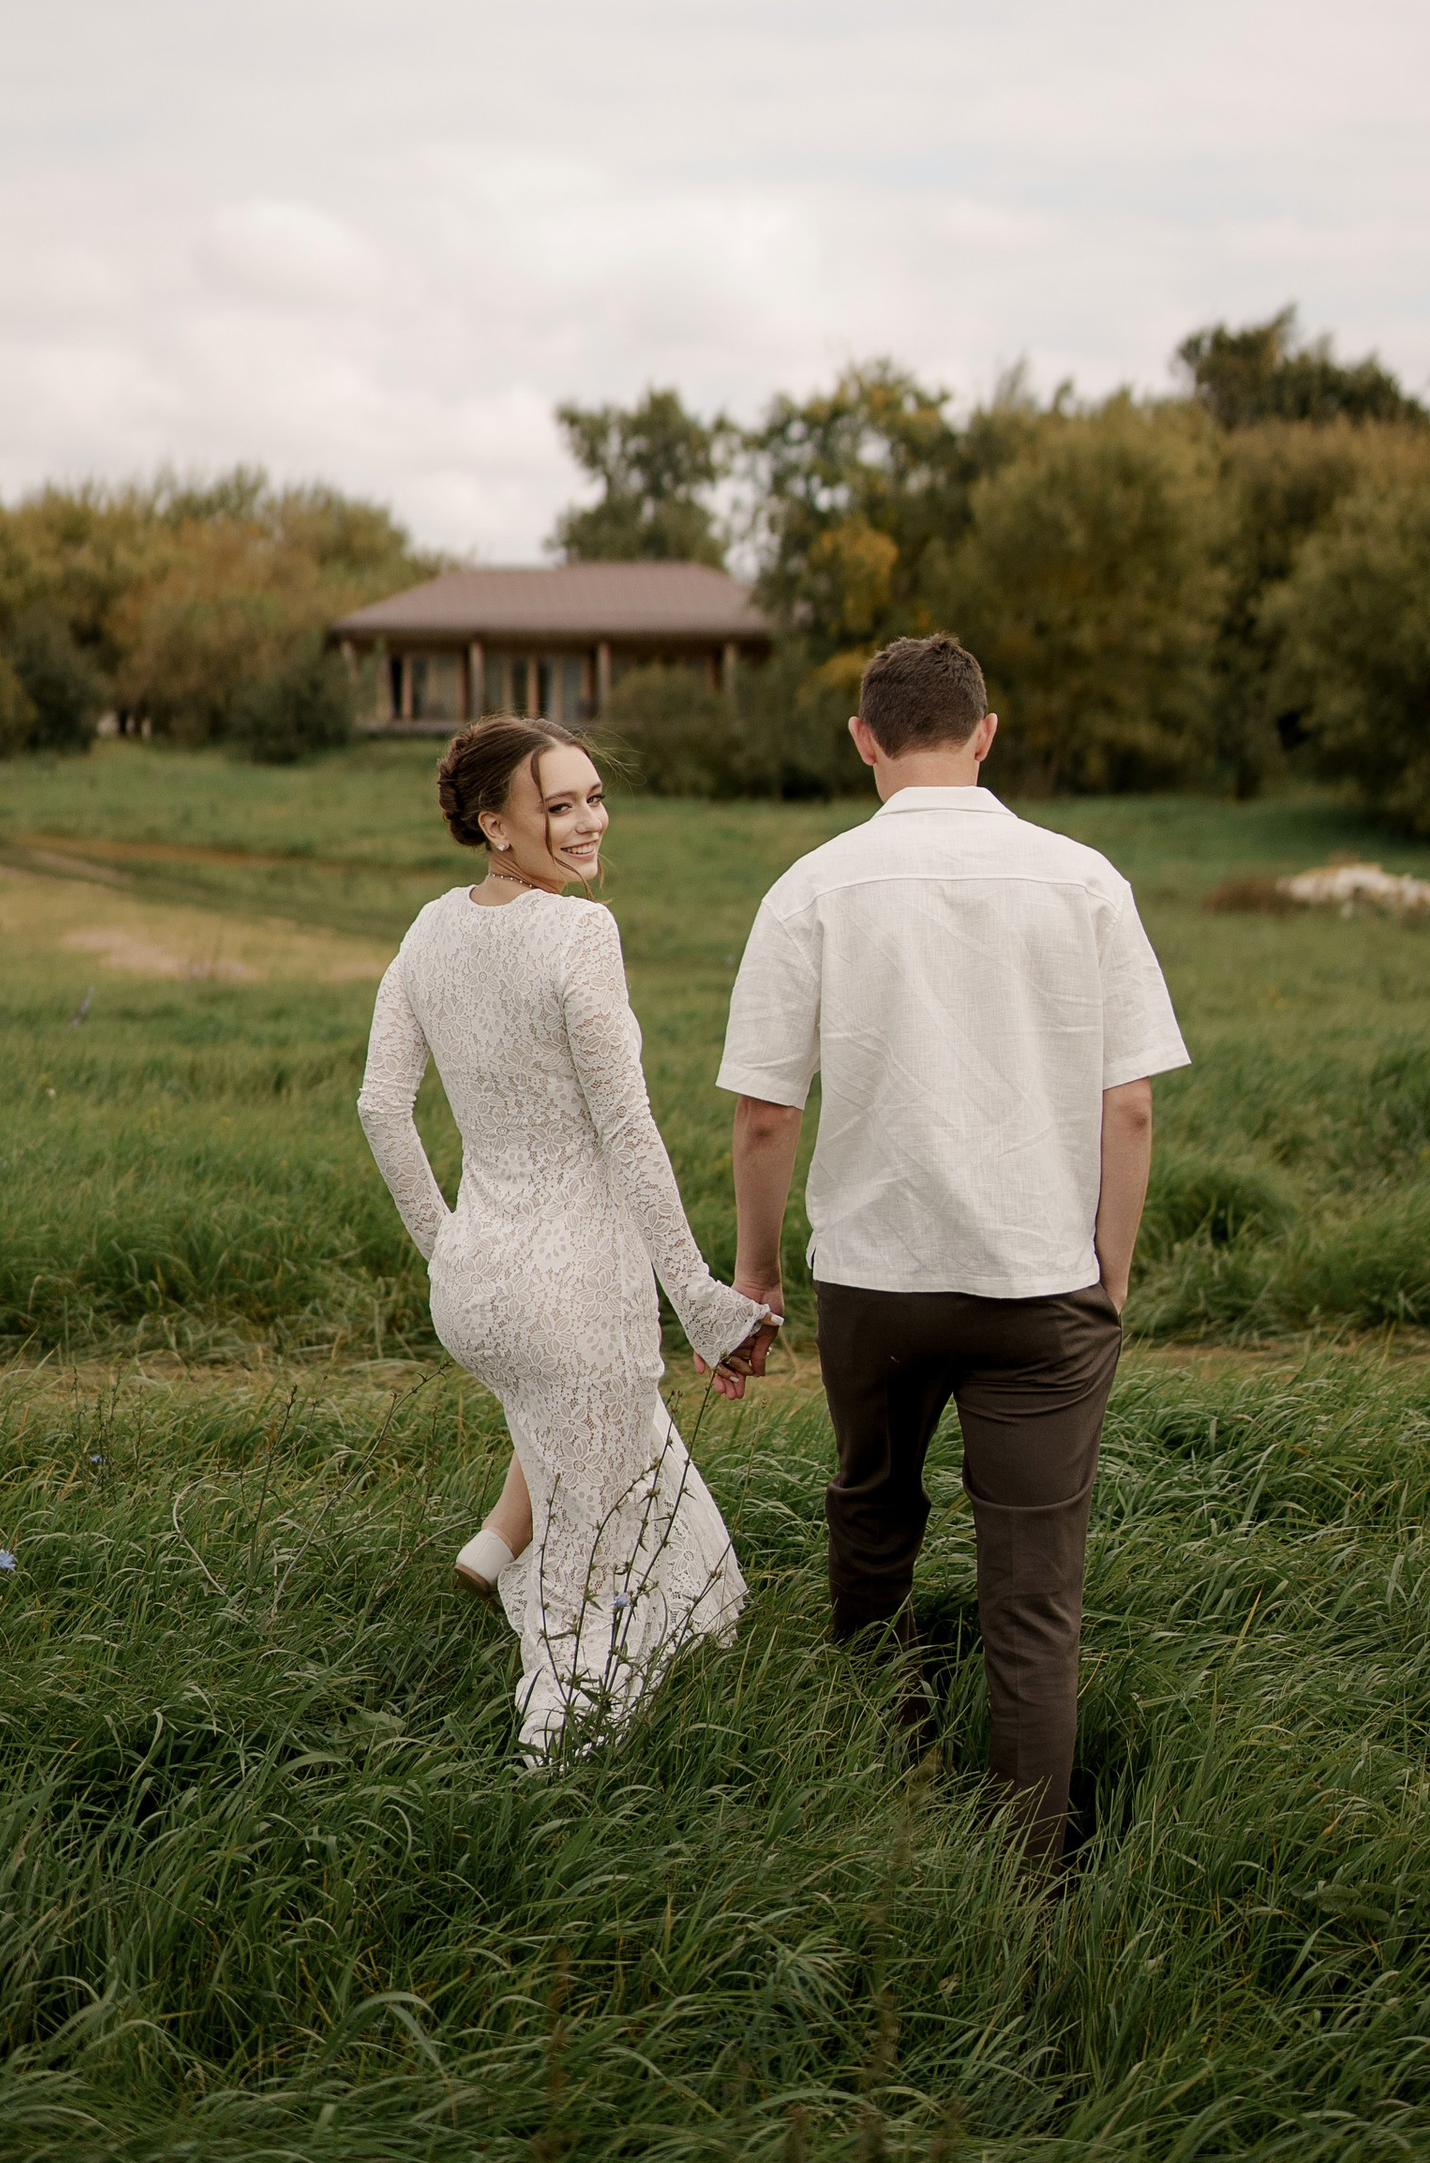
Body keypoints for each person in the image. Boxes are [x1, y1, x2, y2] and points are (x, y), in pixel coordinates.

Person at [717, 633, 1188, 1866]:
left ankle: (880, 1809)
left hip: (874, 1281)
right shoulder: (1085, 880)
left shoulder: (812, 887)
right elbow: (1131, 1104)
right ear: (985, 733)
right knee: (1032, 1598)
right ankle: (1030, 1882)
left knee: (872, 1525)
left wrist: (758, 1276)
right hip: (1043, 1282)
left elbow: (764, 1114)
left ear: (863, 741)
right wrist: (1108, 1274)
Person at [357, 714, 776, 1758]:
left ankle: (500, 1542)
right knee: (585, 1604)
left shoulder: (428, 930)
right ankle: (554, 1776)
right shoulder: (581, 933)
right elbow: (627, 1130)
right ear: (494, 824)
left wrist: (448, 1248)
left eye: (594, 797)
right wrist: (701, 1300)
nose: (589, 822)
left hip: (476, 1293)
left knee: (662, 1503)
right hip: (576, 1295)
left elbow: (380, 1109)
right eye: (559, 805)